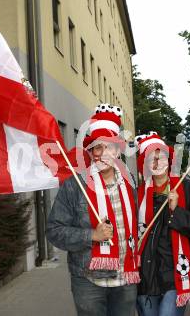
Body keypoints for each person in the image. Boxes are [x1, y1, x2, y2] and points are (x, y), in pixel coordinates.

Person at [46, 104, 139, 316]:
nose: (103, 153)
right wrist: (91, 235)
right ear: (91, 152)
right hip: (88, 281)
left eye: (109, 147)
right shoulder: (75, 185)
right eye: (98, 148)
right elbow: (54, 230)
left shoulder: (129, 182)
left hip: (125, 278)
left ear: (117, 151)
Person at [135, 131, 190, 316]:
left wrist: (177, 211)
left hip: (177, 274)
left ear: (168, 159)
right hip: (145, 277)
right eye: (151, 159)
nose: (157, 162)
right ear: (146, 165)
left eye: (160, 156)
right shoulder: (138, 194)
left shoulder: (185, 188)